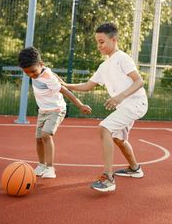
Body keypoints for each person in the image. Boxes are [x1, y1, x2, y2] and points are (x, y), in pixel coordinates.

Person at [62, 22, 148, 192]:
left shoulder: (123, 58)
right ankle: (135, 169)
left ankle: (108, 178)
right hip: (124, 106)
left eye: (101, 42)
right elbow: (87, 85)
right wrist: (65, 85)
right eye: (97, 42)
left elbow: (139, 81)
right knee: (118, 139)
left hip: (136, 103)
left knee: (104, 128)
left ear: (114, 40)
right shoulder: (104, 66)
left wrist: (119, 96)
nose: (98, 45)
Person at [18, 46, 92, 178]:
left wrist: (80, 105)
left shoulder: (48, 77)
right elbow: (50, 72)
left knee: (46, 135)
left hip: (56, 110)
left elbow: (65, 91)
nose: (31, 75)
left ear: (41, 64)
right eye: (27, 73)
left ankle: (50, 168)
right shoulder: (40, 71)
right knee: (38, 139)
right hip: (43, 111)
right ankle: (41, 165)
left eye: (33, 72)